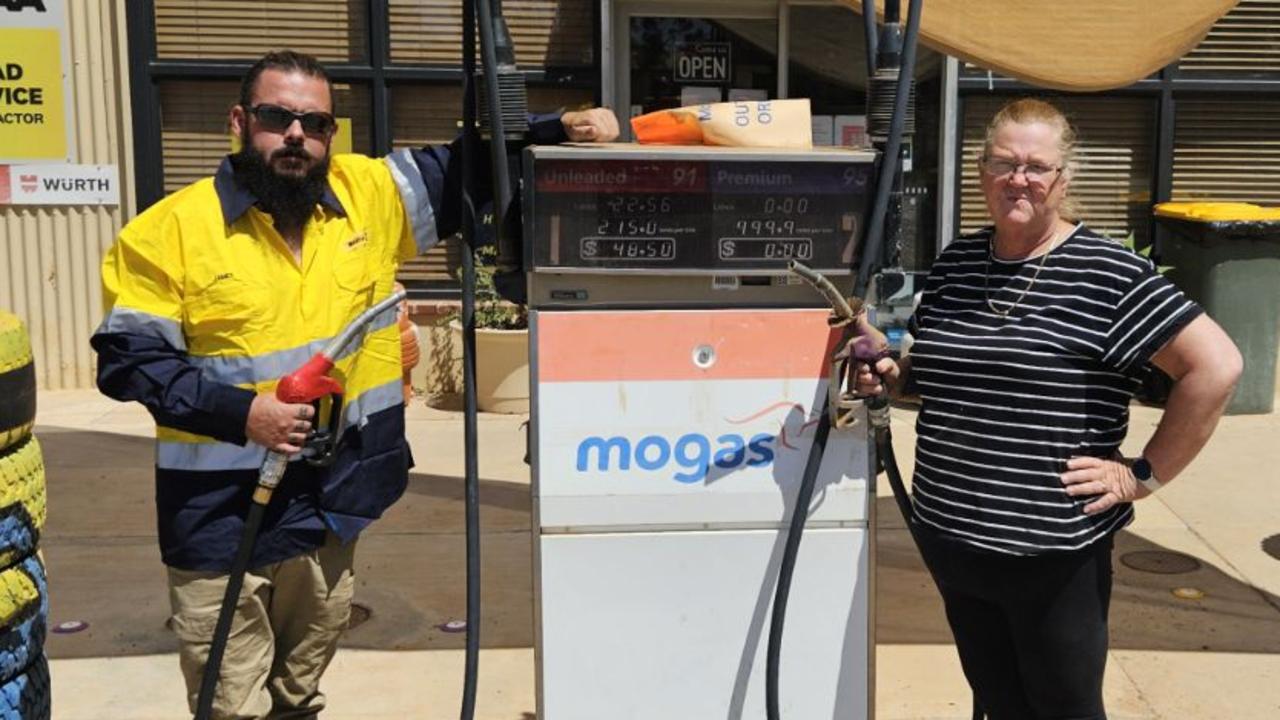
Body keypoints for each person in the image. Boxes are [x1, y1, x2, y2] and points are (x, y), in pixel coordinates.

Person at [90, 50, 618, 719]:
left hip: (331, 506)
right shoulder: (169, 233)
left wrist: (560, 127)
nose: (295, 136)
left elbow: (468, 164)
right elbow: (129, 361)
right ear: (238, 121)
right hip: (221, 520)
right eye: (276, 117)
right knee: (232, 707)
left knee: (299, 695)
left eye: (314, 123)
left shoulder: (366, 194)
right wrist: (243, 413)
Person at [852, 98, 1242, 719]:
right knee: (999, 701)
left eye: (1037, 166)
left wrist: (1143, 474)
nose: (1019, 178)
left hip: (1052, 555)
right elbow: (934, 379)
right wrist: (891, 375)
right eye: (1004, 163)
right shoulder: (957, 263)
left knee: (1063, 708)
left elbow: (1216, 367)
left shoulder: (1108, 273)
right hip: (953, 539)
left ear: (1065, 178)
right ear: (982, 172)